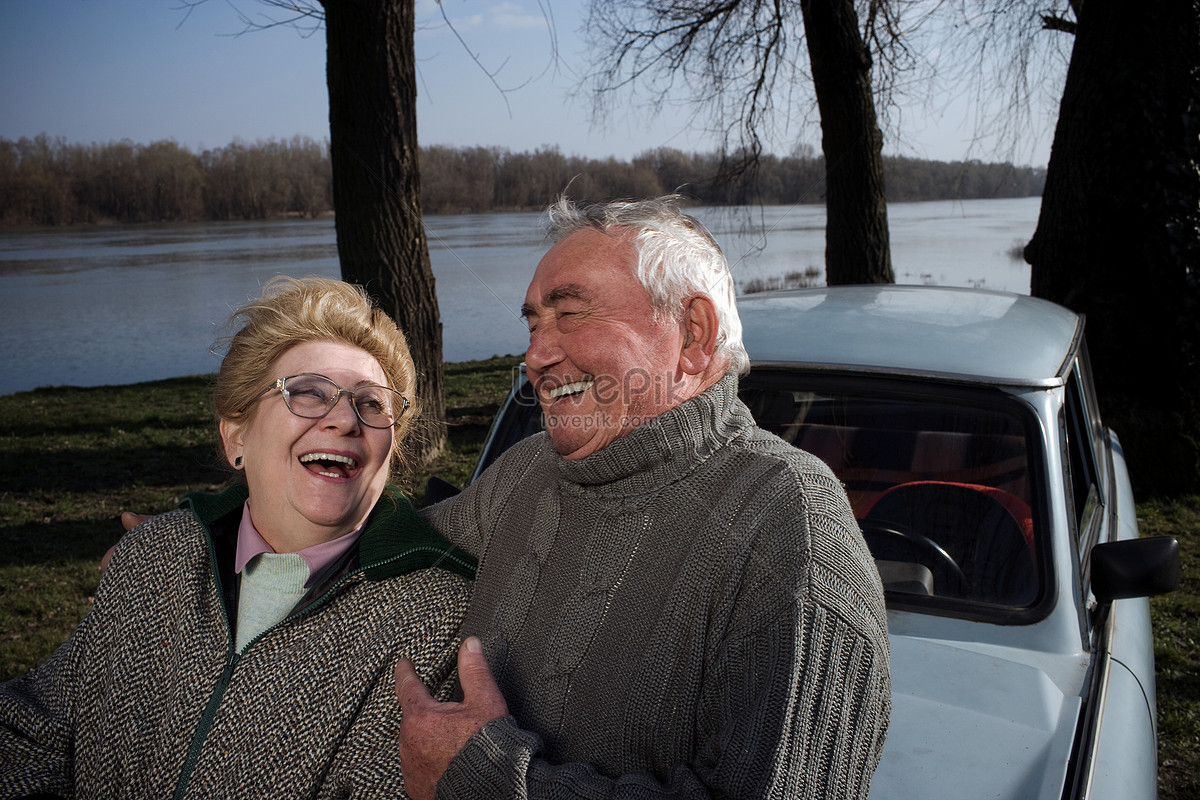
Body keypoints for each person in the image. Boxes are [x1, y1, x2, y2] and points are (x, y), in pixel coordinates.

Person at [395, 196, 892, 799]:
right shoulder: (530, 470)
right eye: (532, 325)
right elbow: (389, 551)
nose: (534, 357)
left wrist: (486, 780)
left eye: (571, 313)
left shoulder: (791, 520)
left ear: (693, 335)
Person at [0, 277, 475, 799]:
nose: (344, 419)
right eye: (309, 392)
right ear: (237, 437)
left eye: (372, 404)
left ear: (392, 451)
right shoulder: (157, 556)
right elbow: (28, 729)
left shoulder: (436, 621)